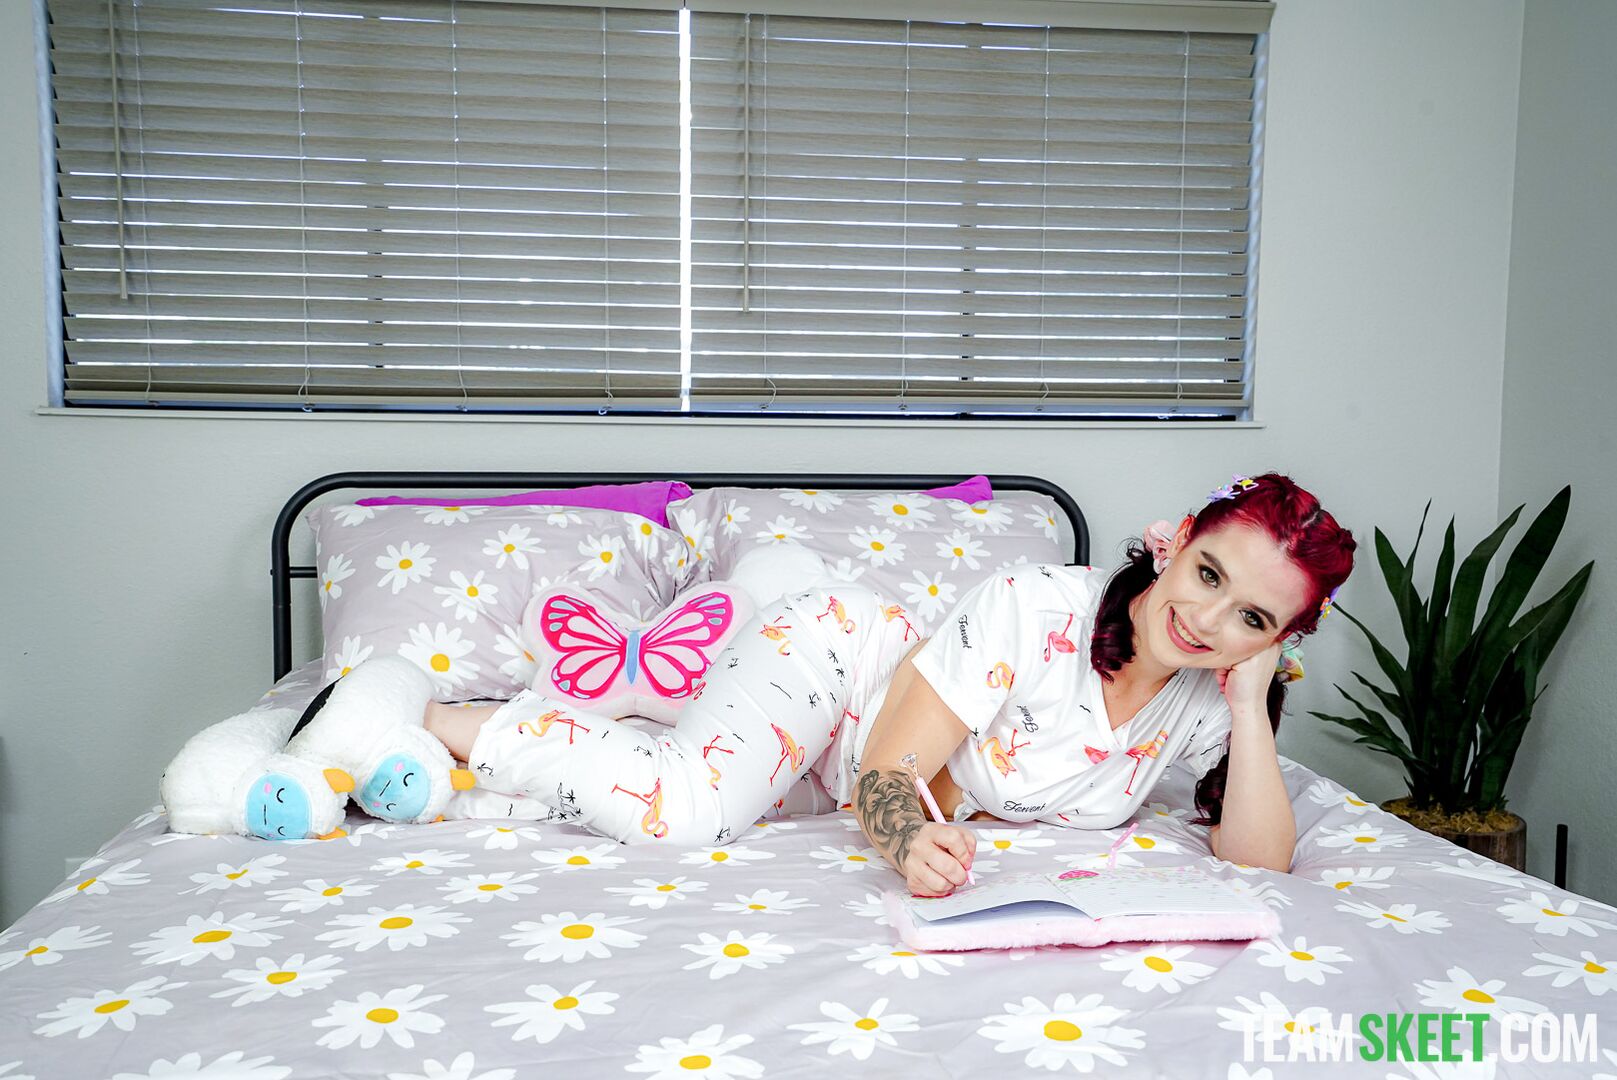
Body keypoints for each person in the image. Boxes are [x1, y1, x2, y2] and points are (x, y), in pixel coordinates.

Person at [420, 471, 1355, 897]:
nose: (1207, 620)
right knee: (684, 807)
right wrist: (909, 846)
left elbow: (1257, 865)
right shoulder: (1033, 606)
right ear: (1175, 541)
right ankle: (436, 714)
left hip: (832, 771)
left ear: (1276, 641)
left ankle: (486, 756)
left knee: (684, 784)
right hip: (838, 667)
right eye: (1207, 574)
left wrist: (1249, 704)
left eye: (1252, 619)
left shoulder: (1202, 695)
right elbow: (887, 774)